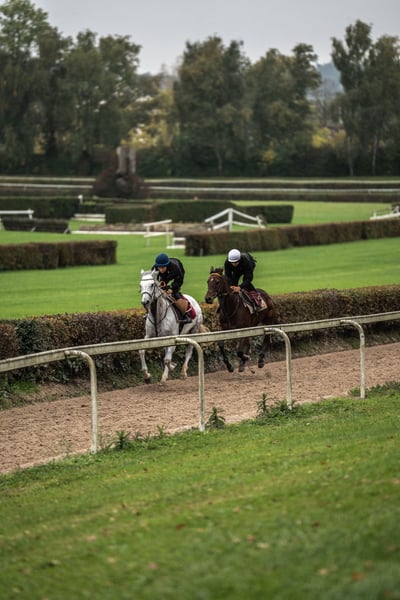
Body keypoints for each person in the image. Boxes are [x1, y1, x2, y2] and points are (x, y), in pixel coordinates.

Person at [152, 253, 192, 323]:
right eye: (159, 267)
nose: (161, 270)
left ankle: (186, 315)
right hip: (165, 276)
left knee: (175, 293)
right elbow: (153, 281)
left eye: (163, 267)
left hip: (178, 275)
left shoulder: (175, 268)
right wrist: (160, 287)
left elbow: (179, 282)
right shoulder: (154, 268)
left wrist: (171, 287)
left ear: (167, 265)